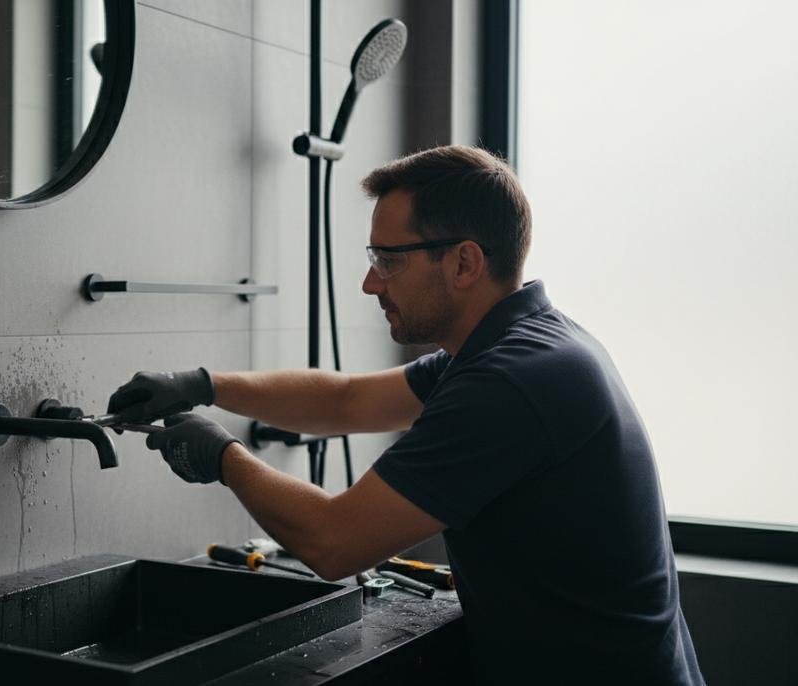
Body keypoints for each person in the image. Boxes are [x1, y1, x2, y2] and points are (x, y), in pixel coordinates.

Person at [106, 145, 704, 685]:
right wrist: (204, 384)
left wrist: (223, 456)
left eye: (388, 260)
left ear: (465, 264)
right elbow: (346, 400)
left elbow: (335, 542)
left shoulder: (510, 381)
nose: (370, 283)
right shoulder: (515, 344)